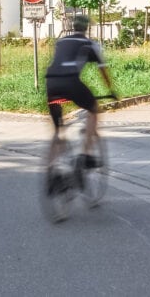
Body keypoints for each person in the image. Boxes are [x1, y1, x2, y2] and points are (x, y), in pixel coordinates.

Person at [45, 14, 116, 182]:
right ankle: (85, 154)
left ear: (72, 26)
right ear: (87, 28)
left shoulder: (61, 41)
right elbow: (102, 69)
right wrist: (110, 90)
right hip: (71, 82)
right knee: (94, 109)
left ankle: (52, 170)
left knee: (58, 131)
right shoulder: (89, 44)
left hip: (52, 83)